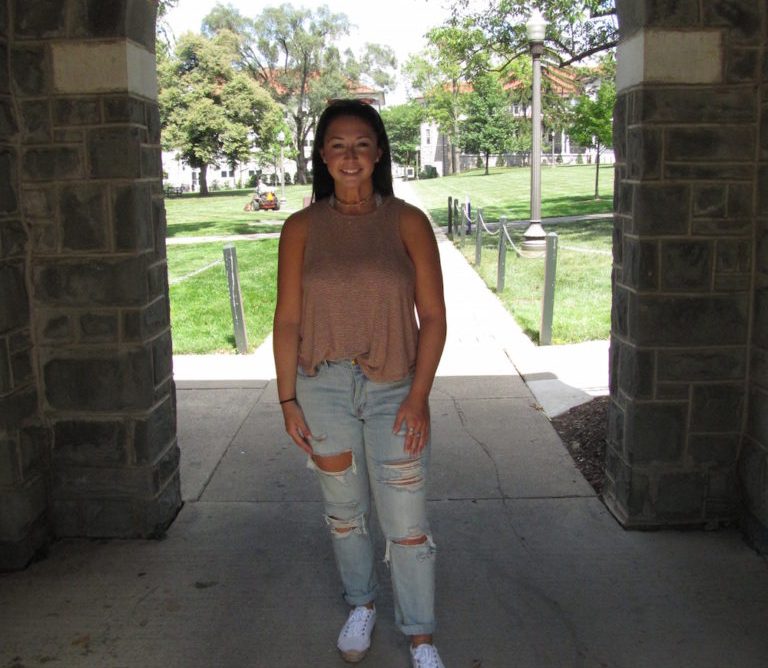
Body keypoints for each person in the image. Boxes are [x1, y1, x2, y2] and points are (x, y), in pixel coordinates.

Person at [273, 99, 447, 667]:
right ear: (323, 156)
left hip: (396, 389)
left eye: (362, 145)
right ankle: (362, 604)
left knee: (406, 521)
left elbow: (433, 317)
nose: (350, 156)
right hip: (322, 389)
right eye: (338, 145)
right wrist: (287, 398)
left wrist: (419, 397)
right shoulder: (300, 228)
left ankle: (420, 636)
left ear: (378, 154)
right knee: (344, 514)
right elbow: (288, 320)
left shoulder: (406, 221)